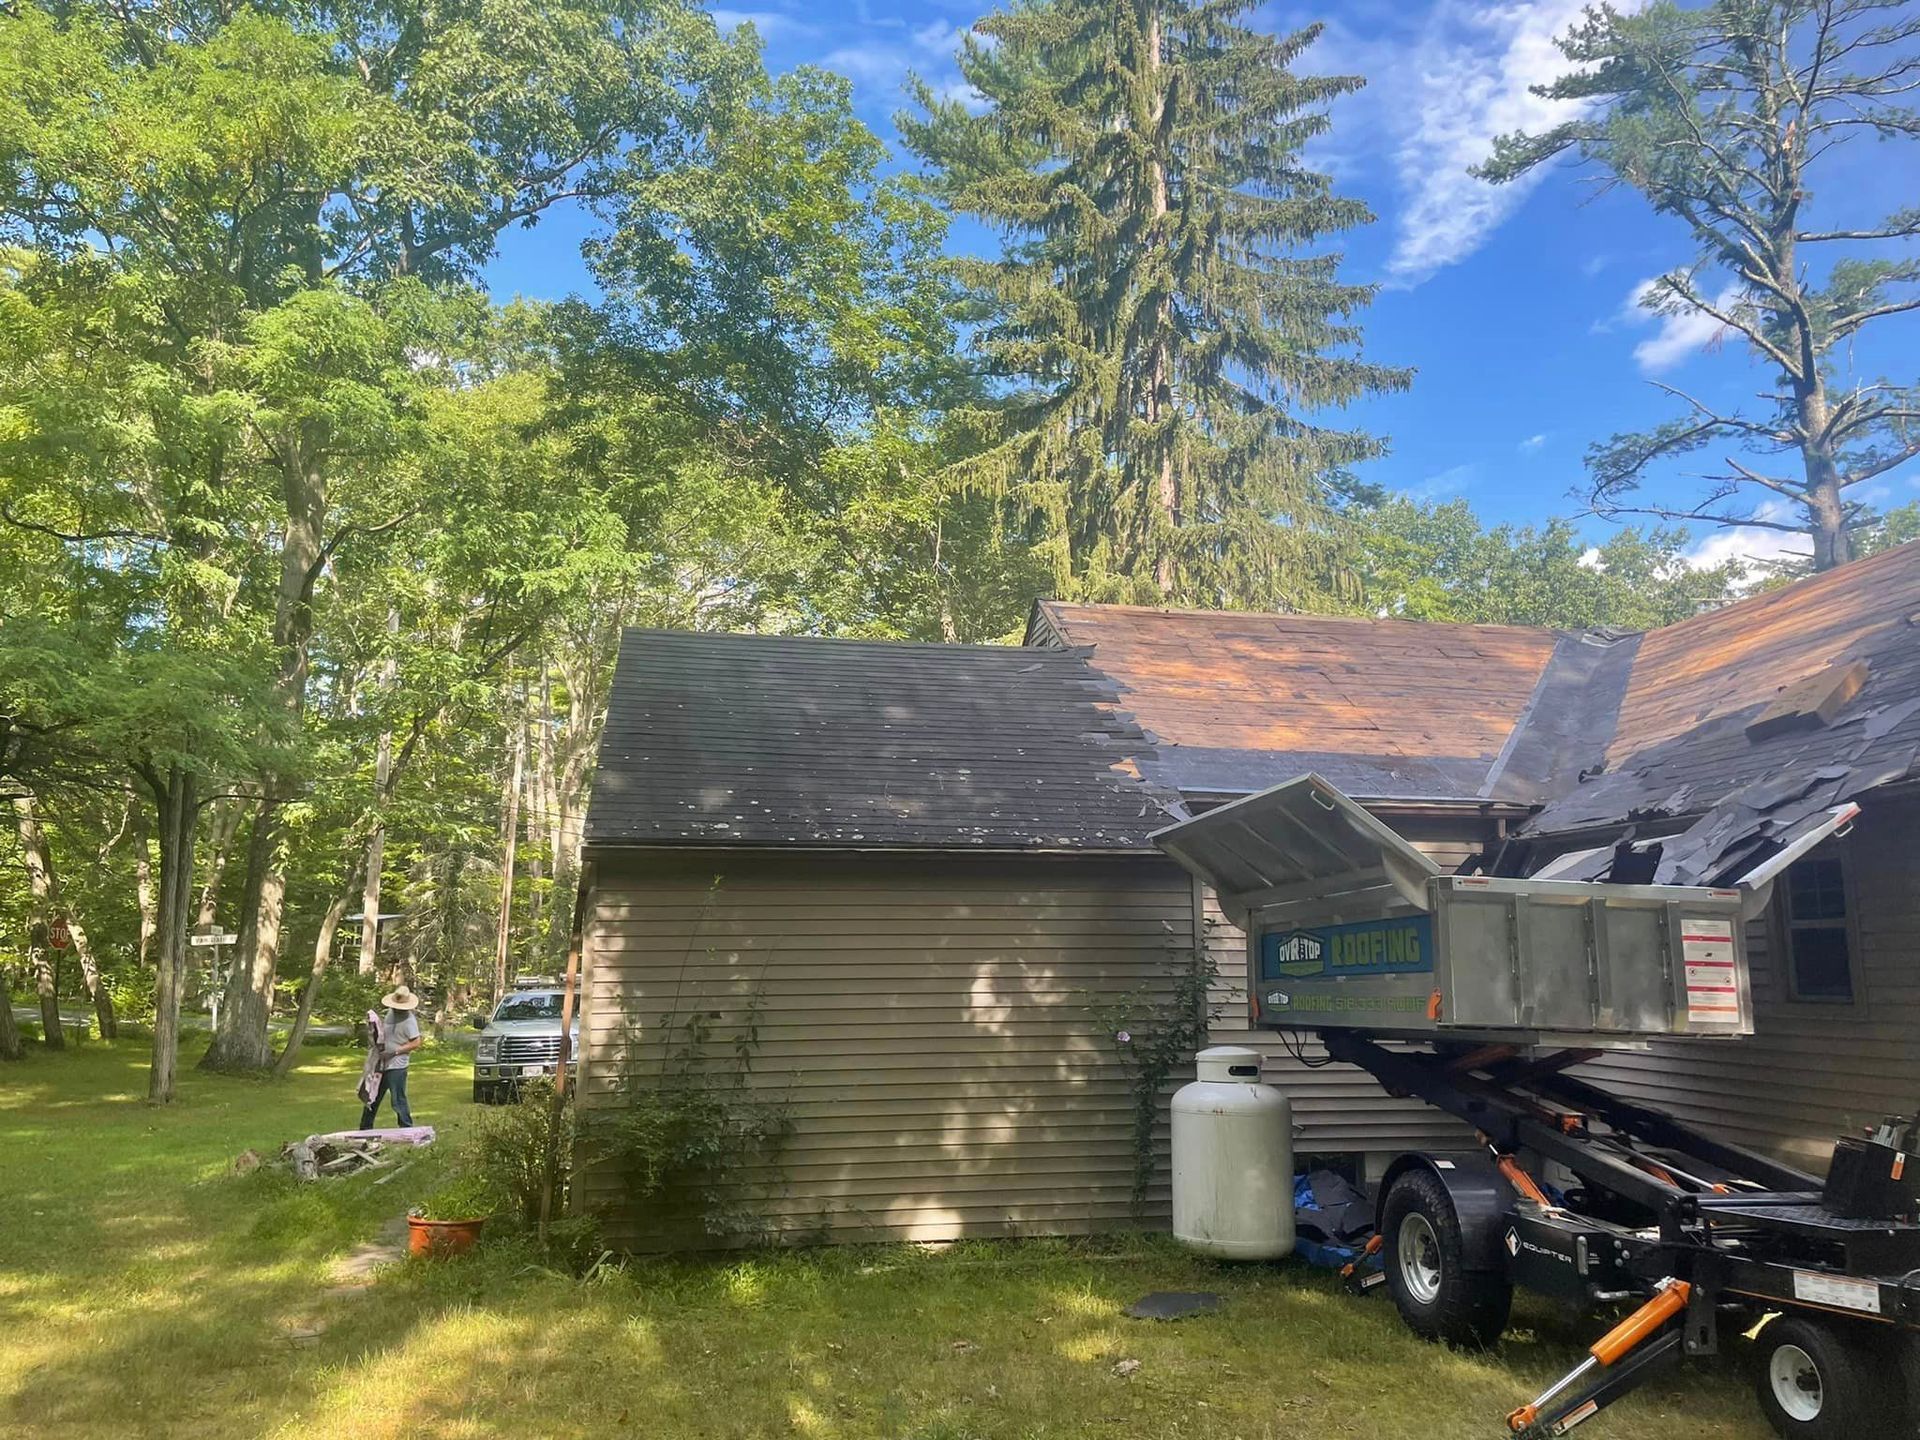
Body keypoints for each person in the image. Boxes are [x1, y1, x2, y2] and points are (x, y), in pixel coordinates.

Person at [359, 985, 424, 1129]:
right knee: (372, 1097)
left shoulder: (409, 1021)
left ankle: (407, 1128)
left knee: (398, 1100)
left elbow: (416, 1042)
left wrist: (395, 1051)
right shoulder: (390, 1013)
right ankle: (364, 1129)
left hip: (397, 1065)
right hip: (381, 1063)